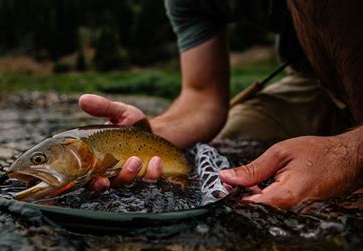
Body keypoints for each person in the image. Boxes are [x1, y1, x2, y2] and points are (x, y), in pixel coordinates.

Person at [78, 0, 363, 208]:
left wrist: (347, 156)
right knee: (231, 139)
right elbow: (202, 96)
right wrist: (146, 134)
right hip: (312, 78)